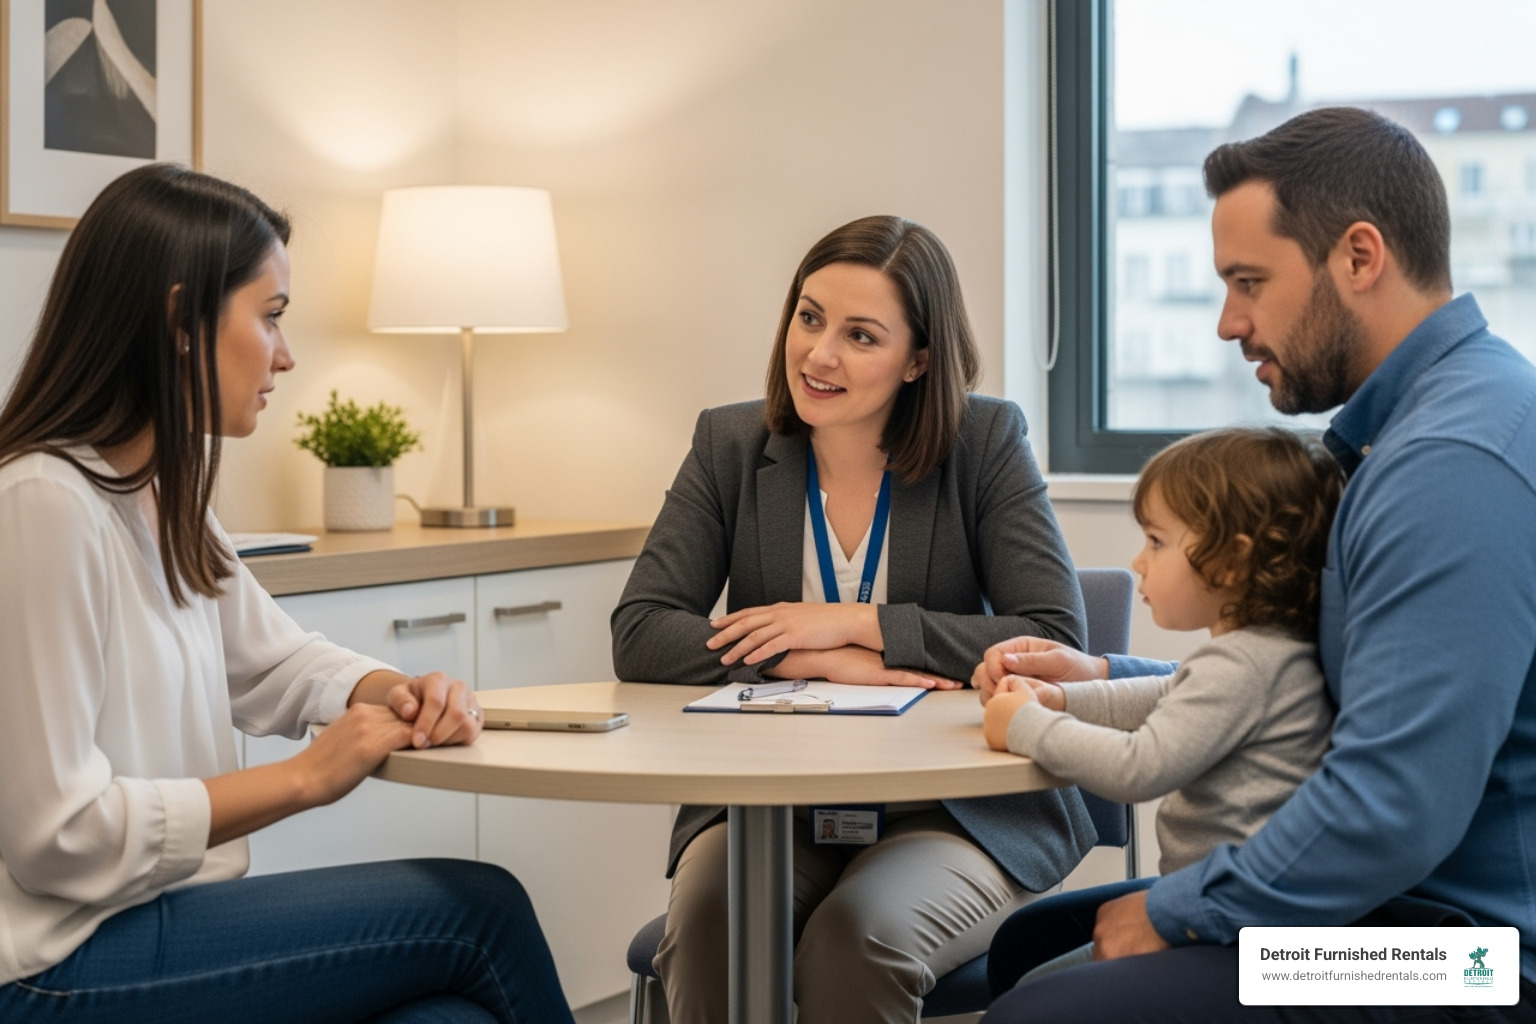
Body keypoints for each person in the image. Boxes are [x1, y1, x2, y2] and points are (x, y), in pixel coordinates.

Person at [979, 107, 1536, 1023]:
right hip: (1393, 916)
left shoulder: (1451, 464)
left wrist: (1174, 909)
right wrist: (1104, 676)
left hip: (1464, 959)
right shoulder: (1403, 434)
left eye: (1249, 282)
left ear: (1361, 257)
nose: (1228, 322)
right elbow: (1292, 681)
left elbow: (1392, 806)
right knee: (1026, 947)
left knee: (1040, 1012)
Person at [0, 164, 574, 1024]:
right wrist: (306, 777)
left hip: (163, 919)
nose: (286, 353)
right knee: (480, 912)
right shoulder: (43, 502)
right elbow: (59, 834)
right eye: (269, 318)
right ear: (180, 321)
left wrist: (391, 690)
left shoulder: (160, 492)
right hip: (60, 961)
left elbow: (272, 661)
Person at [611, 214, 1094, 1024]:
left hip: (948, 810)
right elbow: (643, 629)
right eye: (809, 318)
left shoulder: (985, 441)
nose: (819, 354)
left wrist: (853, 625)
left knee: (857, 938)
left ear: (920, 360)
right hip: (767, 802)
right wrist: (812, 660)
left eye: (861, 335)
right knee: (710, 926)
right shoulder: (731, 443)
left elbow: (1053, 636)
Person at [978, 426, 1340, 985]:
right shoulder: (1268, 649)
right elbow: (1164, 696)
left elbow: (1137, 767)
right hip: (1226, 907)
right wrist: (1063, 698)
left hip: (1236, 930)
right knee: (1026, 944)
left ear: (1229, 561)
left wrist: (1028, 724)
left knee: (1033, 991)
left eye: (1156, 541)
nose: (1138, 562)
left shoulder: (1244, 664)